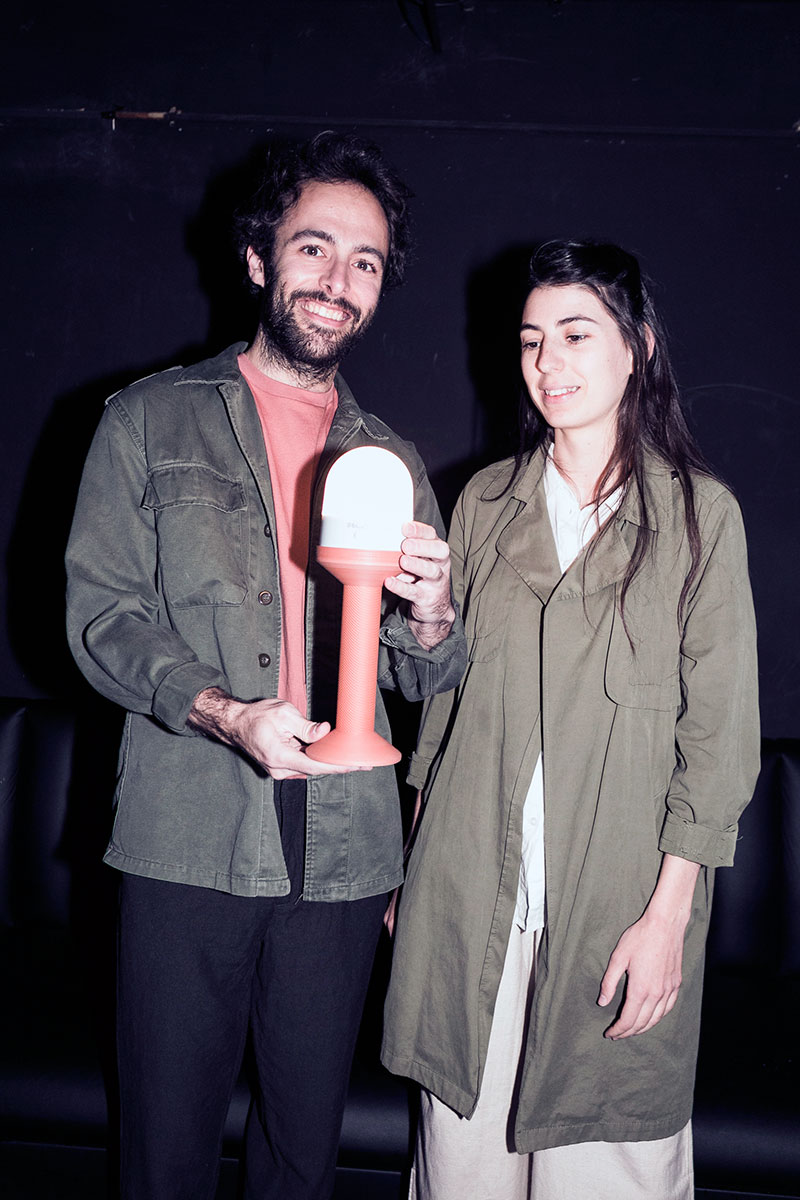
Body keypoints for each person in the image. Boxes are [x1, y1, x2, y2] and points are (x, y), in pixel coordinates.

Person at [65, 131, 466, 1200]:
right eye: (315, 247)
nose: (339, 280)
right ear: (257, 258)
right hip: (189, 833)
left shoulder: (391, 458)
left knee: (302, 1155)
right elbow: (102, 619)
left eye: (365, 261)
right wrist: (223, 711)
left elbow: (427, 680)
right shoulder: (147, 421)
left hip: (346, 852)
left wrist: (432, 616)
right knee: (165, 1150)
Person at [381, 240, 759, 1199]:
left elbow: (719, 744)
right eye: (531, 340)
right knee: (461, 1163)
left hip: (615, 909)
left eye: (576, 334)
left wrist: (667, 919)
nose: (547, 362)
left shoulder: (700, 519)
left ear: (638, 347)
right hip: (470, 892)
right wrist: (412, 869)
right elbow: (441, 710)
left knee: (608, 1159)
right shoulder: (484, 504)